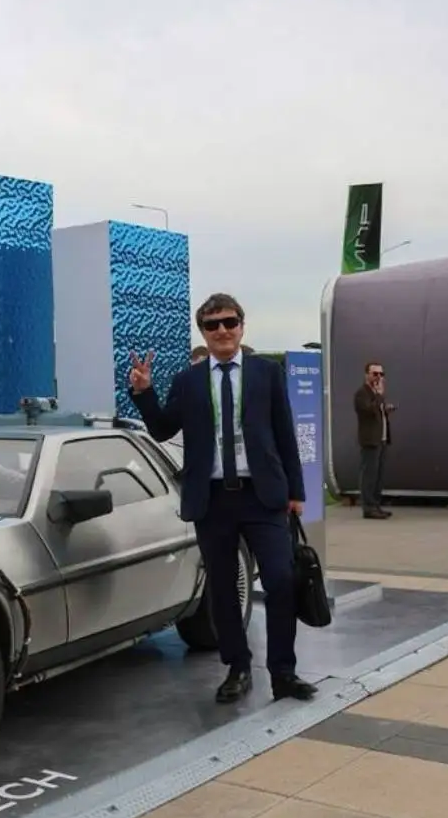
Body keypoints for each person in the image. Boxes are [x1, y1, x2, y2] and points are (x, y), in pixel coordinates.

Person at [128, 293, 316, 705]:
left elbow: (285, 433)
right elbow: (161, 429)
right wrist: (144, 393)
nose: (222, 331)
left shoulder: (267, 373)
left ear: (241, 326)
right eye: (212, 325)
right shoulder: (188, 381)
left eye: (230, 322)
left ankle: (283, 672)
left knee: (281, 580)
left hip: (262, 496)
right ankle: (237, 667)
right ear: (203, 332)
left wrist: (296, 492)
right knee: (224, 588)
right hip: (212, 500)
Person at [353, 362, 395, 519]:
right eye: (375, 374)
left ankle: (376, 505)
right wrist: (379, 396)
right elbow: (368, 410)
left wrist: (386, 408)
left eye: (381, 374)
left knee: (378, 475)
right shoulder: (362, 393)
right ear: (367, 375)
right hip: (370, 440)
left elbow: (377, 410)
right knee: (369, 475)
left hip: (381, 439)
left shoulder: (377, 394)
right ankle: (368, 507)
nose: (378, 377)